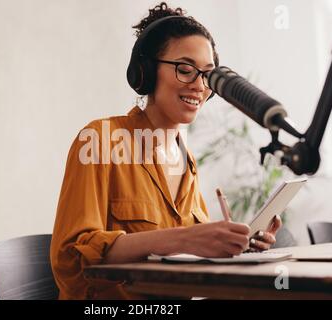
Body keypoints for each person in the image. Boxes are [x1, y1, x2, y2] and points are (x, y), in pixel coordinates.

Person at [50, 2, 282, 300]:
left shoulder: (187, 161)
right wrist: (185, 238)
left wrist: (234, 244)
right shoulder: (99, 140)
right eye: (185, 69)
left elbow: (189, 256)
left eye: (208, 76)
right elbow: (71, 260)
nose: (199, 85)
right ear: (144, 73)